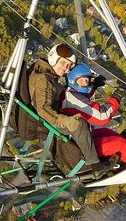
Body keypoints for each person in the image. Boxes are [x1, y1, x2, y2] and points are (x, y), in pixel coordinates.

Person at [27, 43, 112, 179]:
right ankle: (95, 166)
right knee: (80, 125)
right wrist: (66, 120)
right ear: (53, 59)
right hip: (45, 121)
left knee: (75, 118)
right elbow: (43, 109)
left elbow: (69, 95)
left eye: (68, 65)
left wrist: (93, 85)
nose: (65, 68)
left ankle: (92, 156)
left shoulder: (45, 71)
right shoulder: (45, 79)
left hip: (46, 117)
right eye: (63, 63)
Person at [59, 62, 126, 164]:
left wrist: (94, 86)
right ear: (73, 80)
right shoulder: (72, 97)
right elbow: (102, 117)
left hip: (77, 138)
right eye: (81, 80)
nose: (84, 83)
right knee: (119, 143)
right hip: (79, 149)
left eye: (86, 80)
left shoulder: (69, 92)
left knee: (108, 132)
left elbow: (82, 102)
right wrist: (117, 97)